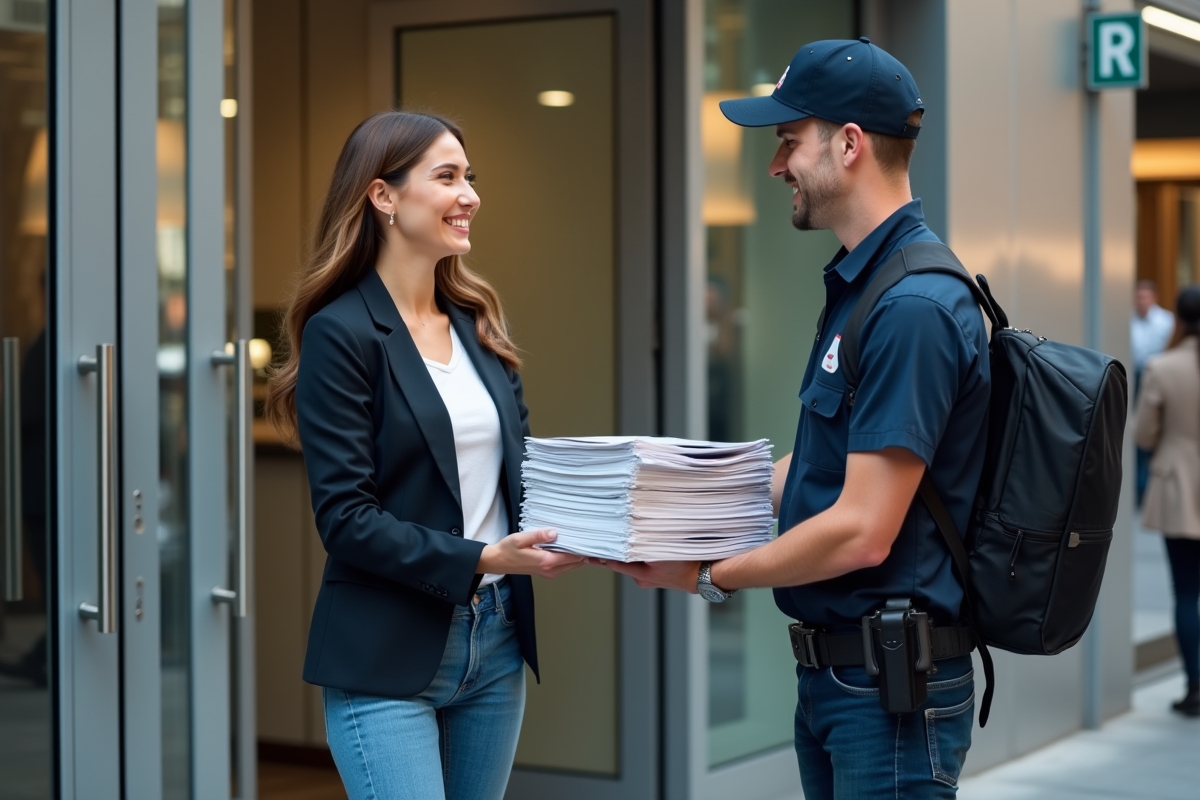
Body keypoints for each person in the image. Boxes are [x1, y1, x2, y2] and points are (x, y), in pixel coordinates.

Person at [597, 39, 989, 797]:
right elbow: (820, 469)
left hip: (889, 692)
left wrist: (707, 575)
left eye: (787, 142)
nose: (776, 167)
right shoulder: (865, 285)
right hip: (848, 682)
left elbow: (863, 529)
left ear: (848, 145)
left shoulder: (910, 306)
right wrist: (665, 498)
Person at [265, 111, 583, 800]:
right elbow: (346, 520)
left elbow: (521, 476)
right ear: (383, 196)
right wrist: (486, 557)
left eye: (470, 177)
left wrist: (615, 512)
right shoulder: (341, 333)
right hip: (385, 651)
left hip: (495, 642)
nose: (469, 194)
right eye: (447, 177)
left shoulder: (476, 321)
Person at [1135, 285, 1200, 718]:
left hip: (1180, 490)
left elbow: (1142, 435)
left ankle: (1195, 687)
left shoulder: (1163, 367)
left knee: (1186, 591)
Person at [1132, 280, 1175, 506]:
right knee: (1139, 429)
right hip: (1135, 376)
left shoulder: (1165, 320)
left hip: (1155, 375)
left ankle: (1147, 488)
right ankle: (1140, 489)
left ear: (1154, 298)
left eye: (1145, 297)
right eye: (1138, 297)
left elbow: (1152, 353)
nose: (1141, 301)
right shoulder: (1128, 320)